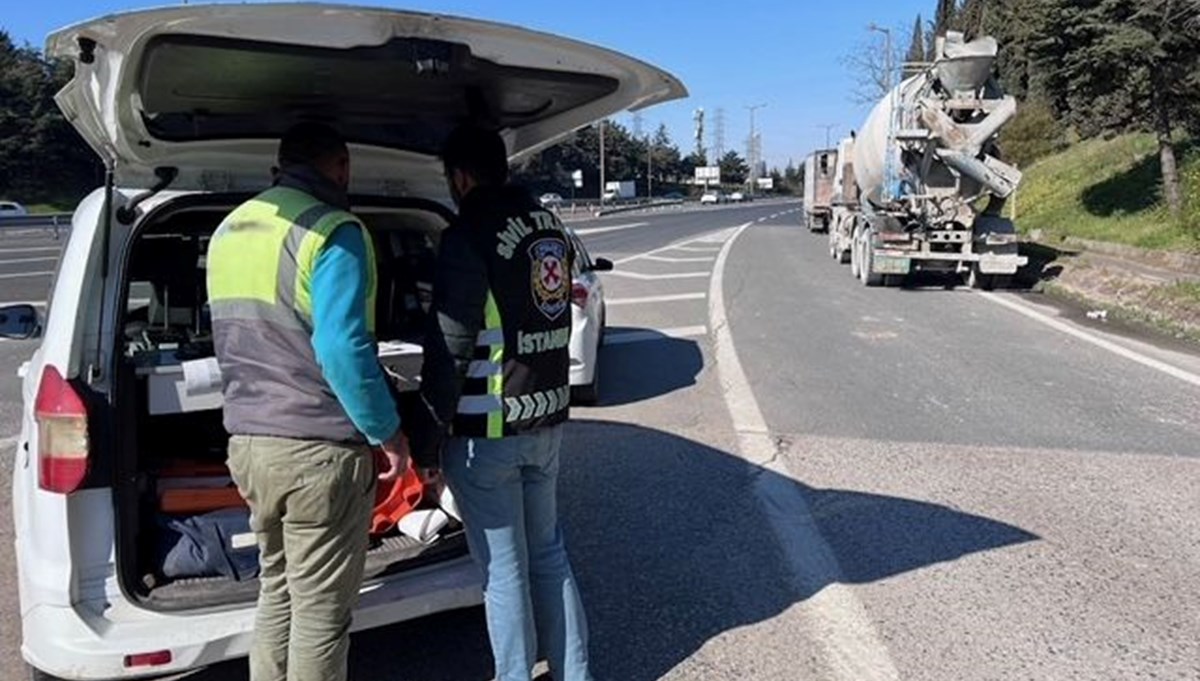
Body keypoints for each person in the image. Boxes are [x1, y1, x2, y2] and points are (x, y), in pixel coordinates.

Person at [206, 121, 410, 681]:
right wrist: (387, 433)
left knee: (278, 591)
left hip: (248, 445)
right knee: (322, 612)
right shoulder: (333, 231)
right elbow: (343, 349)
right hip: (317, 452)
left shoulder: (231, 228)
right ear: (340, 167)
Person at [419, 124, 593, 681]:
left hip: (488, 429)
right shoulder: (548, 224)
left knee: (504, 571)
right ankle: (575, 674)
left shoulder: (468, 233)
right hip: (546, 418)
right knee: (549, 554)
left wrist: (425, 437)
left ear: (461, 177)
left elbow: (451, 347)